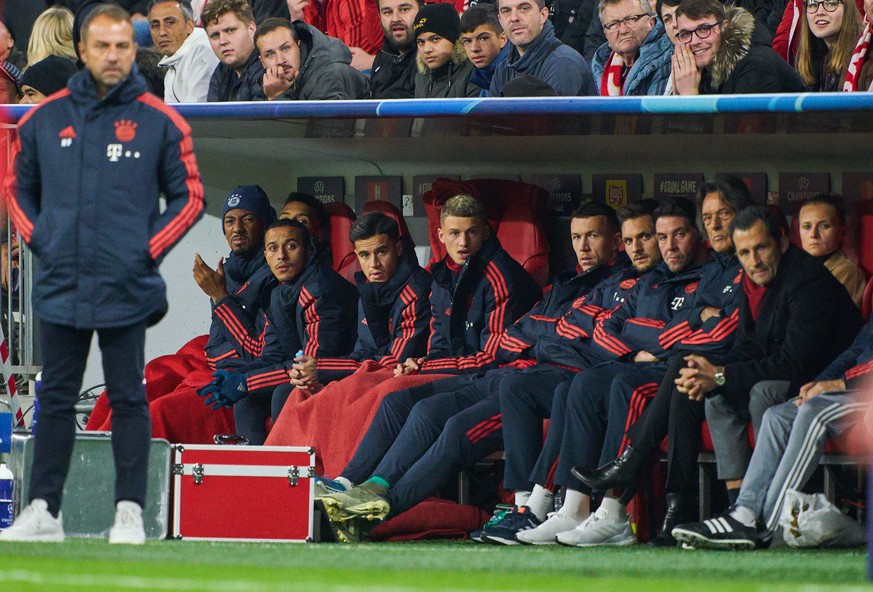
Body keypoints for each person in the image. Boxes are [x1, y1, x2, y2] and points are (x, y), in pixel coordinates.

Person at [1, 4, 204, 544]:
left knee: (128, 396)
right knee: (57, 396)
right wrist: (42, 239)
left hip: (125, 284)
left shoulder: (162, 120)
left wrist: (145, 251)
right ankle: (42, 510)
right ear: (83, 51)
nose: (112, 54)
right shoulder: (44, 119)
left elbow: (190, 196)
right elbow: (17, 189)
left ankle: (130, 513)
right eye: (101, 45)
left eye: (121, 45)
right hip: (60, 281)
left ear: (131, 51)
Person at [316, 202, 623, 541]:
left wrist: (542, 338)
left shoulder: (614, 286)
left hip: (527, 378)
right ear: (441, 235)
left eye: (592, 236)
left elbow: (507, 350)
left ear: (615, 240)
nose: (582, 246)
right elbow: (519, 334)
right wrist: (544, 336)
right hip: (505, 374)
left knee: (455, 427)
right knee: (414, 406)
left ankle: (377, 511)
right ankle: (358, 486)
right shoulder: (565, 283)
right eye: (576, 236)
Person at [482, 198, 712, 545]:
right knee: (569, 386)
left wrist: (650, 337)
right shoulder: (646, 281)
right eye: (654, 238)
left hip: (671, 375)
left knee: (615, 384)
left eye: (654, 236)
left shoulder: (697, 276)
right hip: (626, 364)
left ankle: (612, 513)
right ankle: (569, 507)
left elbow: (687, 333)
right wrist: (636, 350)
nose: (655, 246)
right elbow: (605, 325)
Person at [571, 179, 754, 547]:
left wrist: (667, 339)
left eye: (724, 216)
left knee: (667, 372)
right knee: (581, 384)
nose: (716, 225)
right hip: (686, 370)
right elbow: (608, 326)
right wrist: (693, 319)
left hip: (737, 372)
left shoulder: (744, 264)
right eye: (709, 218)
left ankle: (617, 501)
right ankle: (667, 508)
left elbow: (725, 335)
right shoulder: (687, 274)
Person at [674, 207, 862, 519]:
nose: (754, 261)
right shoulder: (753, 282)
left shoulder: (806, 280)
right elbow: (747, 346)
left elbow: (792, 364)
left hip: (822, 381)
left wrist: (721, 374)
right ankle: (738, 505)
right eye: (744, 253)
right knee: (717, 398)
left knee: (762, 392)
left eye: (761, 248)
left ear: (783, 242)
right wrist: (709, 374)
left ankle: (769, 506)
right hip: (787, 374)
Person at [86, 185, 278, 442]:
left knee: (155, 414)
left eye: (248, 219)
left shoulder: (276, 277)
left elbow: (258, 352)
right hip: (211, 363)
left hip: (240, 377)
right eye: (230, 221)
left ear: (265, 225)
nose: (237, 228)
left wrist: (219, 296)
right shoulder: (228, 269)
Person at [672, 316, 873, 549]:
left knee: (813, 413)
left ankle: (765, 528)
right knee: (776, 416)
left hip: (864, 392)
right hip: (852, 385)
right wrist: (819, 383)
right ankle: (744, 511)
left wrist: (839, 384)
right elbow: (858, 349)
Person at [197, 219, 359, 444]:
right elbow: (271, 354)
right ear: (265, 255)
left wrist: (246, 381)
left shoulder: (321, 291)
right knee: (247, 399)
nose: (281, 255)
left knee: (285, 393)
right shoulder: (279, 291)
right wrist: (238, 378)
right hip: (307, 372)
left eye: (291, 246)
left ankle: (292, 473)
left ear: (308, 251)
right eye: (273, 248)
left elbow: (310, 369)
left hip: (339, 375)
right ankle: (253, 472)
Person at [671, 0, 806, 94]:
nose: (694, 41)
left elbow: (741, 134)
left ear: (724, 27)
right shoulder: (698, 72)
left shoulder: (756, 66)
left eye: (704, 29)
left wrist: (689, 97)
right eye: (685, 34)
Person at [490, 0, 597, 96]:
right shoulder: (502, 69)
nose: (514, 18)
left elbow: (551, 118)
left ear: (543, 15)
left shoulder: (563, 62)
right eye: (506, 11)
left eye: (524, 8)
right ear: (500, 20)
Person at [255, 17, 370, 101]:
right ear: (262, 62)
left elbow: (324, 131)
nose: (280, 60)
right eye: (270, 54)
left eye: (285, 49)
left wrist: (278, 96)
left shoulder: (327, 75)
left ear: (298, 46)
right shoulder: (269, 85)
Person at [592, 0, 673, 96]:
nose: (623, 30)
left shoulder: (668, 57)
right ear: (605, 34)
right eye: (613, 24)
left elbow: (654, 110)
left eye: (631, 19)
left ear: (651, 22)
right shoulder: (601, 62)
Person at [797, 195, 866, 308]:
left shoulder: (848, 272)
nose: (813, 234)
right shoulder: (794, 269)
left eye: (824, 226)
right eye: (807, 227)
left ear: (841, 232)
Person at [148, 0, 219, 102]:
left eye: (170, 23)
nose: (162, 32)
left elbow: (197, 112)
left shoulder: (204, 50)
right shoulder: (171, 63)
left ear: (189, 25)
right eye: (155, 26)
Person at [412, 3, 481, 98]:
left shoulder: (475, 73)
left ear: (454, 39)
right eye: (421, 42)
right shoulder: (421, 78)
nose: (427, 49)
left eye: (435, 39)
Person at [203, 0, 265, 101]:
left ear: (251, 30)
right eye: (215, 35)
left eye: (230, 30)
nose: (222, 41)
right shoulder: (220, 71)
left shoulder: (266, 65)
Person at [794, 0, 862, 90]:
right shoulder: (815, 58)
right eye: (812, 4)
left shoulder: (861, 57)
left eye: (831, 3)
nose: (820, 12)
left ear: (847, 9)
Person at [369, 0, 422, 99]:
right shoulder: (381, 58)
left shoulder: (432, 57)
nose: (395, 19)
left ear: (422, 10)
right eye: (387, 12)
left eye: (404, 10)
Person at [460, 4, 511, 96]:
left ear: (502, 39)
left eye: (483, 39)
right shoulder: (484, 77)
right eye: (467, 41)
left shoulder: (514, 75)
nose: (474, 48)